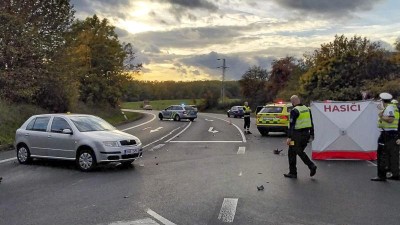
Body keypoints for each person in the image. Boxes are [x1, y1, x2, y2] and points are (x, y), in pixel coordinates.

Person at [284, 95, 317, 179]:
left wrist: (289, 137)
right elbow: (311, 123)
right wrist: (312, 134)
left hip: (296, 136)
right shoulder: (307, 109)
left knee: (294, 152)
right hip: (306, 135)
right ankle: (293, 172)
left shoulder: (294, 111)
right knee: (296, 151)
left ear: (293, 102)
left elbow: (292, 125)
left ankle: (310, 166)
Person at [371, 93, 399, 181]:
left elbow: (390, 119)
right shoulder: (392, 107)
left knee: (382, 154)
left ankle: (381, 175)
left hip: (387, 133)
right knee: (392, 154)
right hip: (392, 133)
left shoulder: (390, 108)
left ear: (383, 100)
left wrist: (381, 116)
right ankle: (395, 174)